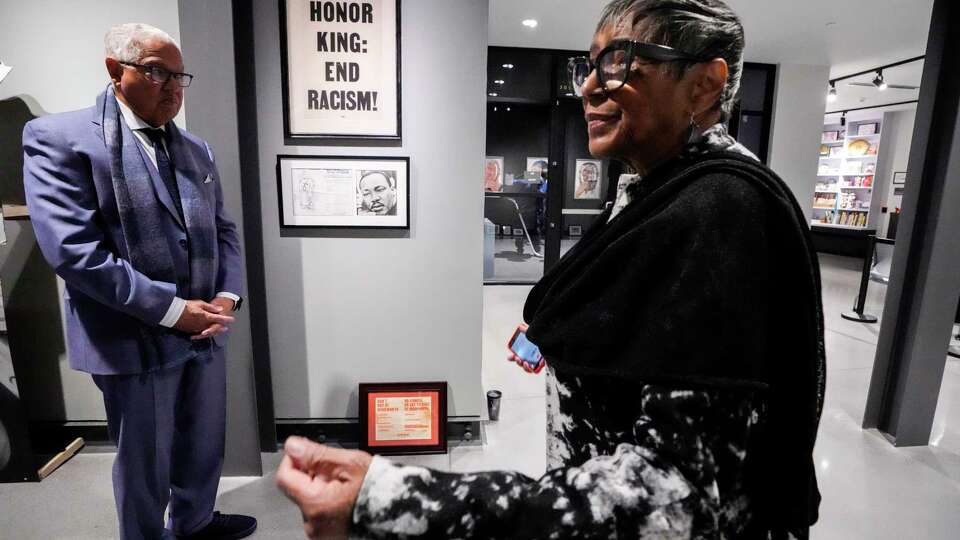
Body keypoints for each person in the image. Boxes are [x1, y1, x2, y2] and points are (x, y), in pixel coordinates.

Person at [276, 1, 825, 538]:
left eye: (618, 63)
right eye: (589, 66)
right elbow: (646, 313)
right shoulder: (658, 188)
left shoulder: (722, 210)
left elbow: (670, 501)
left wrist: (395, 501)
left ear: (703, 85)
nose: (588, 87)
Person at [23, 23, 256, 540]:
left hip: (205, 328)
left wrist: (226, 295)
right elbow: (75, 251)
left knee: (202, 440)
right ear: (116, 70)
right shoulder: (59, 139)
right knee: (145, 458)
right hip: (130, 333)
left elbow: (223, 230)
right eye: (157, 73)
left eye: (179, 76)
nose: (173, 87)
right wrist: (175, 310)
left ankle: (194, 523)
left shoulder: (196, 149)